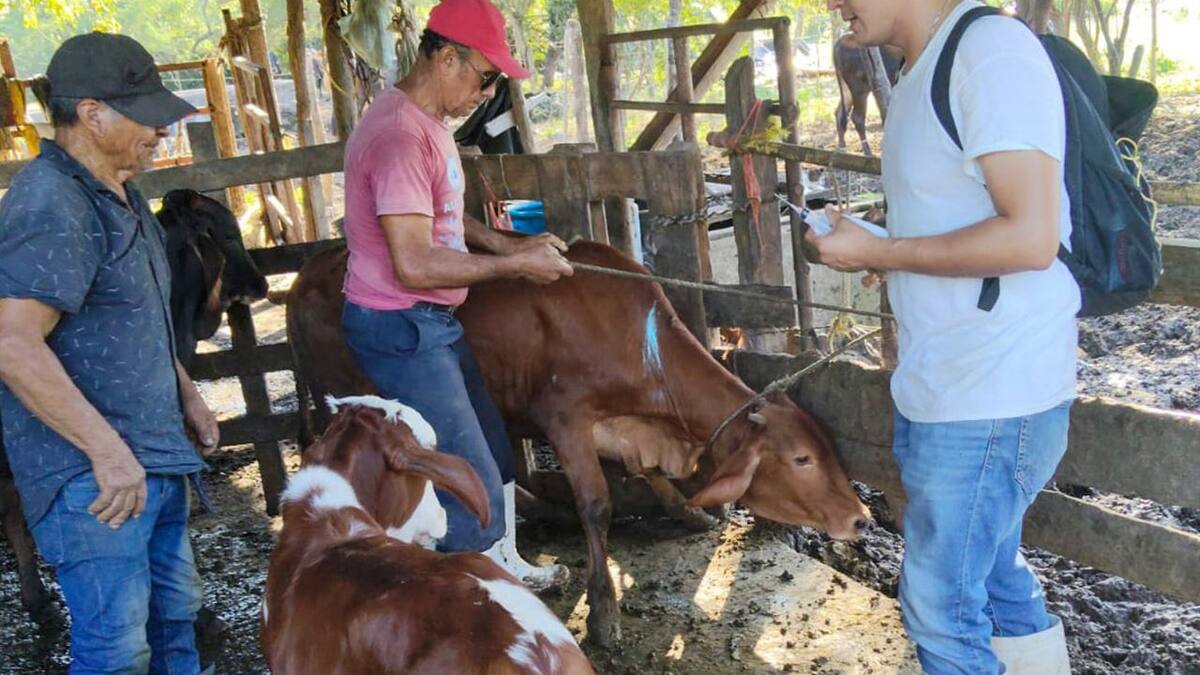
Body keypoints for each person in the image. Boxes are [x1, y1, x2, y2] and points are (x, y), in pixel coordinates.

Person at [811, 1, 1077, 673]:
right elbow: (958, 216)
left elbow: (1031, 235)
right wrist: (879, 247)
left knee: (941, 608)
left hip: (988, 389)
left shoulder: (989, 54)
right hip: (959, 383)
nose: (830, 2)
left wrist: (892, 252)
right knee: (991, 580)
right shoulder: (921, 68)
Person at [0, 32, 219, 674]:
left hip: (149, 454)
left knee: (176, 621)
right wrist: (105, 451)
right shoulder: (52, 200)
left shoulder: (120, 193)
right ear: (92, 113)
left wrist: (187, 392)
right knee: (117, 648)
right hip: (93, 478)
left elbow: (139, 315)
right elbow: (13, 345)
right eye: (146, 116)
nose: (160, 132)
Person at [339, 0, 574, 591]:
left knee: (493, 454)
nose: (486, 93)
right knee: (466, 482)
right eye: (485, 77)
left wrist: (501, 243)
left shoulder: (428, 124)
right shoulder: (398, 136)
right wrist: (518, 264)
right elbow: (414, 261)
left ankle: (504, 568)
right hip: (401, 326)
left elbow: (439, 216)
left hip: (432, 322)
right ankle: (468, 616)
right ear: (446, 59)